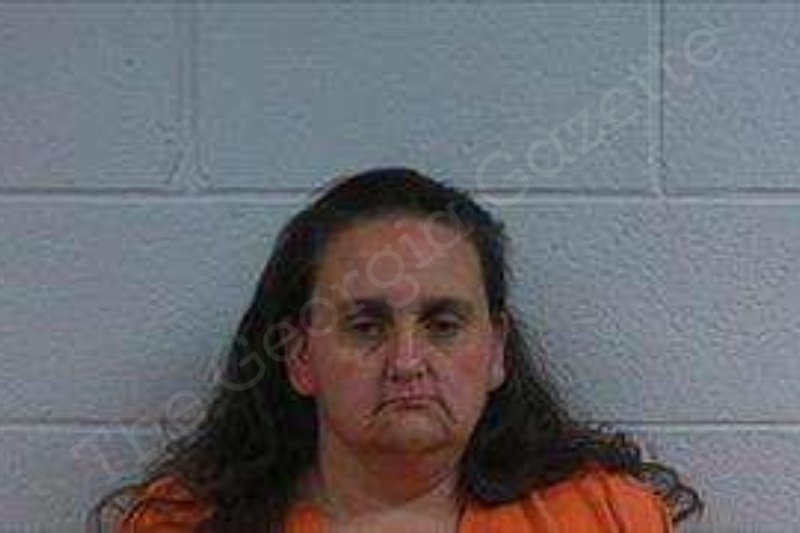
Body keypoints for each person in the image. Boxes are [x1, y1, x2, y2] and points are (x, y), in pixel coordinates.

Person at [91, 167, 703, 532]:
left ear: (496, 351)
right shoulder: (182, 525)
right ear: (300, 357)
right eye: (365, 326)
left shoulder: (606, 517)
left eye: (443, 324)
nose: (407, 362)